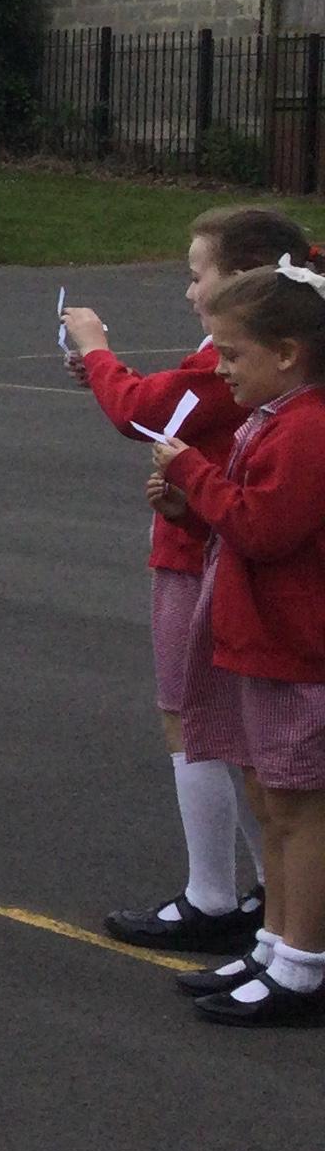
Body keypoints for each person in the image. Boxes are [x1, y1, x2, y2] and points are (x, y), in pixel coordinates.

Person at [63, 205, 305, 946]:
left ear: (246, 278)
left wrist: (97, 349)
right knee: (237, 739)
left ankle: (216, 896)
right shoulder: (236, 355)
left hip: (200, 549)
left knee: (196, 722)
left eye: (199, 274)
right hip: (207, 536)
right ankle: (269, 900)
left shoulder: (239, 364)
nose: (190, 290)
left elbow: (144, 412)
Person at [154, 260, 325, 1026]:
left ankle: (304, 965)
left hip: (297, 649)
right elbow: (246, 517)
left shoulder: (308, 429)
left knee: (300, 811)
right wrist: (190, 508)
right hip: (264, 642)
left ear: (287, 353)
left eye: (232, 354)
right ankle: (275, 943)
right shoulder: (277, 419)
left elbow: (263, 528)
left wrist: (193, 471)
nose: (218, 369)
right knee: (271, 800)